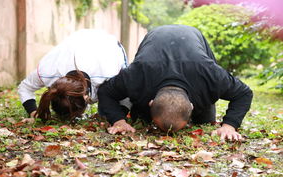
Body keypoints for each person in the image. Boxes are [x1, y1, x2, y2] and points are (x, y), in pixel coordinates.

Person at [97, 24, 253, 141]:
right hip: (155, 42)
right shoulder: (138, 73)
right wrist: (118, 120)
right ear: (150, 103)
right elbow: (105, 91)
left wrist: (229, 125)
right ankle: (143, 112)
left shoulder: (209, 74)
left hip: (193, 45)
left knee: (205, 120)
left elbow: (244, 93)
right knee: (141, 118)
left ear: (192, 106)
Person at [18, 29, 128, 121]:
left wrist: (118, 118)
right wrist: (33, 112)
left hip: (107, 43)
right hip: (74, 42)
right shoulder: (48, 70)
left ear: (86, 97)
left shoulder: (110, 70)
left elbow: (127, 94)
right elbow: (25, 87)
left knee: (107, 110)